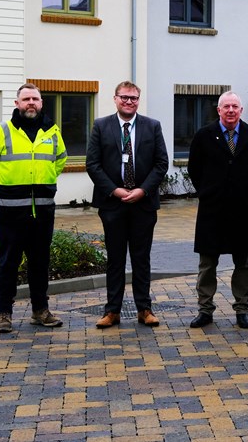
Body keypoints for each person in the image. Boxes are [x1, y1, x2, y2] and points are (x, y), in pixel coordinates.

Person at [0, 83, 67, 334]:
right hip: (10, 212)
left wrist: (44, 183)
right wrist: (8, 186)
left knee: (40, 263)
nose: (31, 103)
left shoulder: (52, 131)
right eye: (26, 98)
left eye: (35, 99)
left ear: (41, 103)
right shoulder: (0, 131)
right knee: (8, 263)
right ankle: (3, 314)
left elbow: (59, 161)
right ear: (16, 103)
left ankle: (41, 311)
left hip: (42, 211)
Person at [86, 81, 169, 329]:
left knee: (141, 258)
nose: (129, 102)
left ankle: (144, 309)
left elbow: (161, 163)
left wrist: (143, 190)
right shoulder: (101, 126)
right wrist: (115, 190)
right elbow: (93, 164)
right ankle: (112, 311)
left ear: (138, 100)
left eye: (133, 98)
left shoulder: (152, 126)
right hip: (113, 204)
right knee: (115, 259)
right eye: (125, 97)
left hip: (143, 204)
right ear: (115, 99)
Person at [187, 91, 248, 329]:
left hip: (241, 208)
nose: (231, 110)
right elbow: (194, 169)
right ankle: (205, 309)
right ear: (218, 110)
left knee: (243, 262)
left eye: (235, 106)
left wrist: (238, 188)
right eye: (226, 106)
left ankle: (242, 309)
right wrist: (209, 191)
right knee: (207, 262)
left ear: (241, 110)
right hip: (212, 208)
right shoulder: (203, 136)